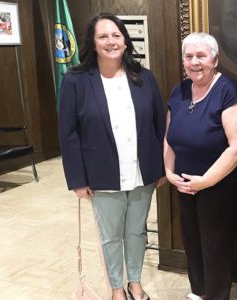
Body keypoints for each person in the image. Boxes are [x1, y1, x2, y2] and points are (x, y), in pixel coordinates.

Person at [58, 13, 166, 300]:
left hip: (142, 172)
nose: (111, 41)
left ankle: (136, 282)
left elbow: (159, 125)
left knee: (136, 232)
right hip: (102, 174)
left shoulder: (143, 77)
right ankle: (117, 287)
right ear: (93, 43)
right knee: (110, 237)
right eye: (103, 36)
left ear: (125, 40)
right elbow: (68, 134)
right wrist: (77, 180)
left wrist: (160, 168)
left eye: (116, 35)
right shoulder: (75, 81)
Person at [164, 32, 237, 300]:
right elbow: (169, 137)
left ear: (215, 59)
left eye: (201, 56)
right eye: (189, 56)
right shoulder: (178, 92)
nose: (194, 62)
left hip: (220, 186)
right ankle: (199, 292)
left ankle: (215, 296)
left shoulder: (229, 91)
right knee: (192, 242)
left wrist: (206, 181)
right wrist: (169, 172)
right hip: (185, 185)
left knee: (215, 246)